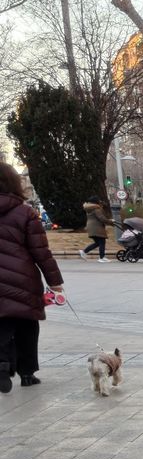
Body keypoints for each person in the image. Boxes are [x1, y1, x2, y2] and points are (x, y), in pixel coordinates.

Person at [0, 162, 65, 392]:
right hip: (22, 278)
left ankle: (3, 365)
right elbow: (41, 251)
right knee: (27, 326)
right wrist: (54, 282)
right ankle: (27, 373)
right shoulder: (25, 212)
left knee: (3, 325)